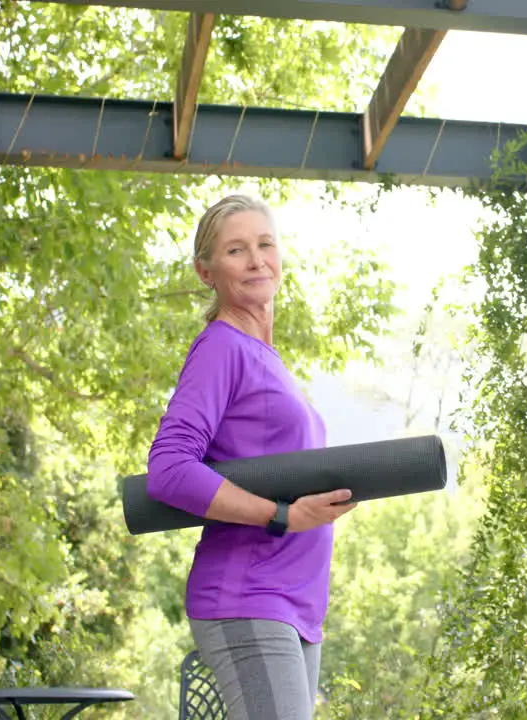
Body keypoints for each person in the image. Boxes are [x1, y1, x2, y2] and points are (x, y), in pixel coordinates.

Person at [147, 194, 357, 720]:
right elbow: (170, 469)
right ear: (206, 272)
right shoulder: (222, 347)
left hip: (297, 605)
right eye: (236, 250)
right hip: (250, 596)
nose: (257, 259)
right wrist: (283, 515)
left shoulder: (267, 359)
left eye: (265, 244)